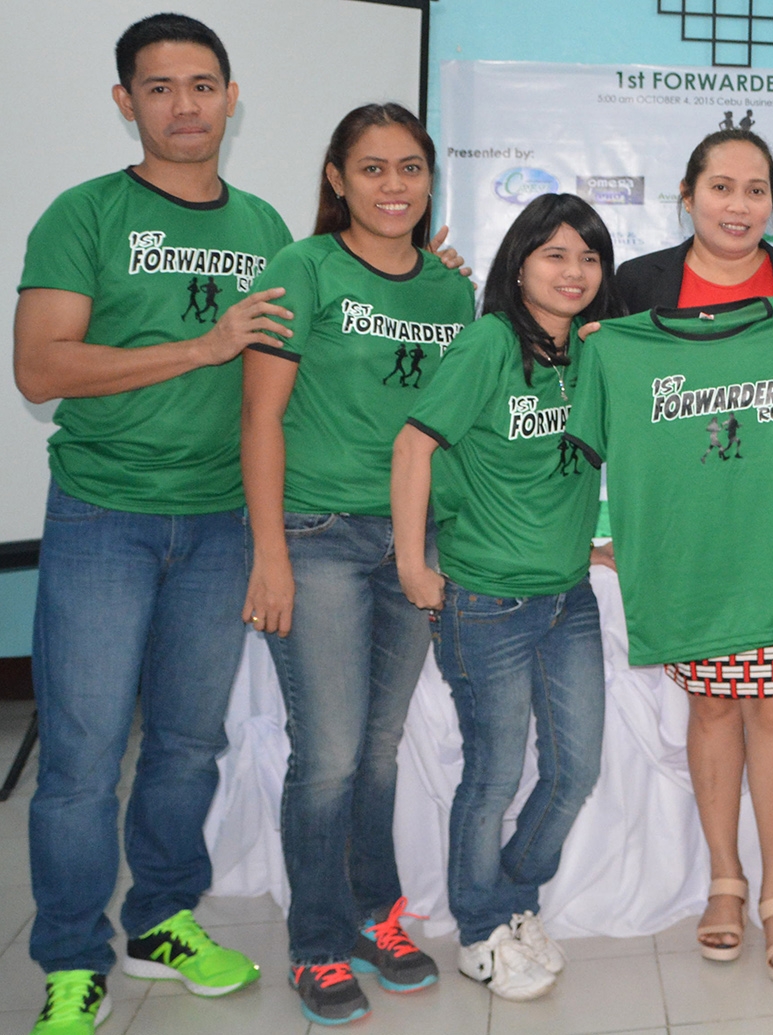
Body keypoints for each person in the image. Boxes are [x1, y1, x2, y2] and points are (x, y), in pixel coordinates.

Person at [12, 15, 288, 1033]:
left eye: (203, 85)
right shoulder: (82, 213)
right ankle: (73, 958)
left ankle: (163, 920)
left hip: (221, 524)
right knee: (83, 758)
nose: (185, 105)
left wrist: (413, 282)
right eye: (161, 88)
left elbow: (292, 379)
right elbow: (41, 368)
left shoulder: (265, 227)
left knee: (185, 745)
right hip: (104, 518)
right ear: (127, 102)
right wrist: (197, 346)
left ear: (230, 96)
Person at [239, 103, 476, 1025]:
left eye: (409, 167)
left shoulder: (451, 291)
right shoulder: (303, 268)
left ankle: (378, 915)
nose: (393, 186)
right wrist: (269, 553)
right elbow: (259, 417)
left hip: (411, 543)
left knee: (379, 747)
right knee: (330, 752)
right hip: (318, 534)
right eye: (372, 169)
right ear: (336, 179)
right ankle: (317, 943)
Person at [612, 129, 773, 981]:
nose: (738, 205)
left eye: (756, 190)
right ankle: (725, 880)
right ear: (688, 194)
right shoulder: (637, 287)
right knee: (712, 709)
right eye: (721, 187)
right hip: (688, 536)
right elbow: (607, 409)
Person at [392, 192, 623, 1002]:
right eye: (556, 254)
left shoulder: (591, 354)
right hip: (485, 599)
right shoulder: (489, 341)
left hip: (567, 596)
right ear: (520, 261)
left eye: (589, 256)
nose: (574, 271)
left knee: (575, 768)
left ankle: (513, 897)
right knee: (492, 775)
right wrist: (413, 564)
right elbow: (414, 444)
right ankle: (480, 928)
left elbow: (571, 461)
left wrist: (587, 545)